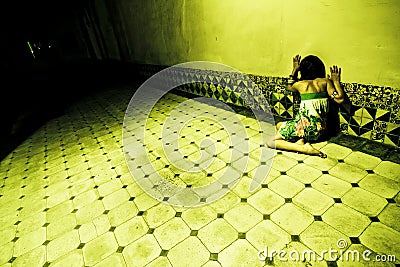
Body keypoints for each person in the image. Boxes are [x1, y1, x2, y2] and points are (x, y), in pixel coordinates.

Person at [266, 54, 346, 157]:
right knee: (279, 125)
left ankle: (304, 148)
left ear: (302, 70)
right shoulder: (325, 82)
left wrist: (294, 69)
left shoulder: (301, 84)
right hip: (320, 132)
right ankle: (301, 140)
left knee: (270, 141)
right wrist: (336, 81)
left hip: (303, 129)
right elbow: (340, 99)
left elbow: (289, 86)